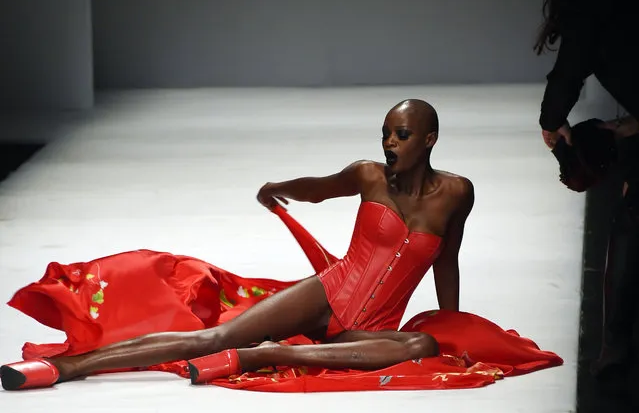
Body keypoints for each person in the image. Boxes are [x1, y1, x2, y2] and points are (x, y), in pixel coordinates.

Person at [1, 99, 477, 391]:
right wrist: (278, 187)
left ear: (430, 139)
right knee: (211, 339)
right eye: (385, 133)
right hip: (330, 291)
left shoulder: (457, 194)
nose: (389, 142)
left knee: (424, 343)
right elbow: (320, 187)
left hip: (370, 330)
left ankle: (272, 354)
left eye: (402, 134)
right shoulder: (369, 175)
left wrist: (454, 324)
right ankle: (65, 367)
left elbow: (446, 261)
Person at [534, 0, 639, 386]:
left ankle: (615, 350)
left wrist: (552, 125)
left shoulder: (590, 5)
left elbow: (567, 76)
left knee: (631, 230)